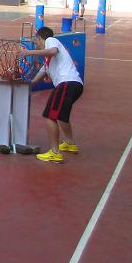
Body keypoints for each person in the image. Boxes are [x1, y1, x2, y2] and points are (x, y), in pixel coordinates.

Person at [20, 26, 84, 163]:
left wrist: (29, 52)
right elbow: (42, 72)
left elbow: (53, 51)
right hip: (75, 85)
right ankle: (70, 144)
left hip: (66, 83)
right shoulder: (48, 60)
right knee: (61, 115)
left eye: (36, 40)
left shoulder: (50, 40)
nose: (36, 43)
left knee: (50, 115)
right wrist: (28, 85)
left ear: (39, 38)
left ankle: (55, 152)